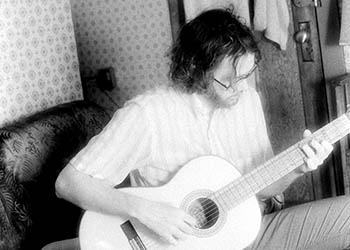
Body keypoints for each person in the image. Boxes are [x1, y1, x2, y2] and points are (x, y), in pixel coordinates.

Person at [54, 7, 349, 250]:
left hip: (248, 234)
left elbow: (263, 185)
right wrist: (144, 210)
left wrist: (299, 167)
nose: (240, 88)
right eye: (227, 81)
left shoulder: (248, 100)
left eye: (246, 75)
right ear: (195, 68)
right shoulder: (148, 114)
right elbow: (68, 183)